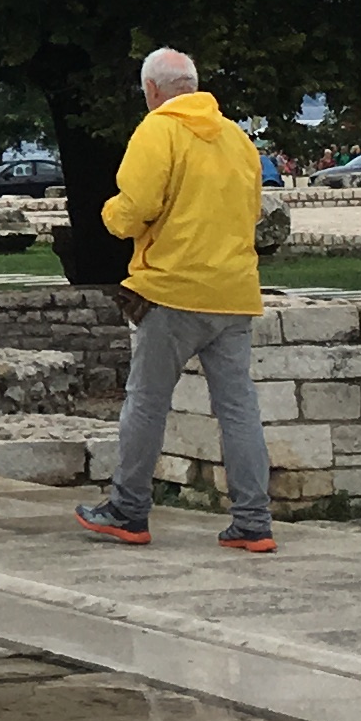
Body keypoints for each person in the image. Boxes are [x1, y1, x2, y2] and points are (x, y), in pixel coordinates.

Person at [76, 47, 277, 554]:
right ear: (193, 84)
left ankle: (128, 510)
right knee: (238, 409)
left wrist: (113, 218)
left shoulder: (158, 130)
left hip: (171, 290)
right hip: (233, 292)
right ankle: (253, 522)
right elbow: (252, 210)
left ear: (152, 90)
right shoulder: (237, 138)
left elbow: (137, 205)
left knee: (146, 402)